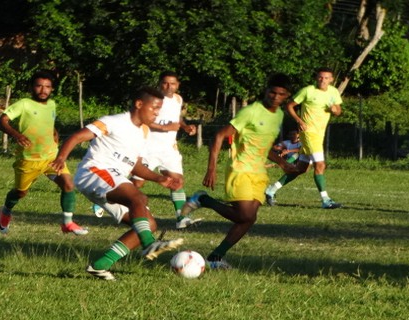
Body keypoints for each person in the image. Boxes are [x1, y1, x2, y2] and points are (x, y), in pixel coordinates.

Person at [51, 87, 185, 281]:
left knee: (148, 224)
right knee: (137, 197)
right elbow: (77, 136)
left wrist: (159, 178)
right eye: (154, 108)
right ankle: (149, 244)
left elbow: (135, 164)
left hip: (114, 178)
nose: (157, 113)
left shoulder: (145, 132)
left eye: (159, 109)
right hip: (94, 171)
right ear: (139, 104)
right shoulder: (113, 122)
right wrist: (61, 157)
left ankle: (100, 265)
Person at [181, 74, 296, 269]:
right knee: (243, 215)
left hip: (259, 173)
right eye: (272, 92)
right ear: (266, 90)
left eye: (280, 94)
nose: (275, 97)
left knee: (248, 219)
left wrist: (283, 164)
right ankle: (203, 199)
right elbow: (219, 136)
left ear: (287, 96)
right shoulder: (250, 112)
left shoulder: (279, 116)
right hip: (240, 169)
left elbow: (264, 146)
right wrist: (211, 169)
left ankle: (215, 257)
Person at [0, 70, 88, 237]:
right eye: (39, 86)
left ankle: (68, 223)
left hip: (51, 157)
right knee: (21, 192)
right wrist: (17, 134)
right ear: (32, 87)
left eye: (47, 87)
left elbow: (46, 123)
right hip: (28, 160)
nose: (43, 90)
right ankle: (6, 210)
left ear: (52, 89)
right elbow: (2, 120)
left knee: (68, 184)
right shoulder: (24, 104)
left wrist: (54, 132)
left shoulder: (52, 105)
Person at [127, 71, 200, 229]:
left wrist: (185, 126)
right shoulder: (153, 100)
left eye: (173, 83)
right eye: (165, 83)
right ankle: (114, 199)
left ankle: (181, 217)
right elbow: (143, 119)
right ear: (160, 83)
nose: (169, 86)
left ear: (178, 85)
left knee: (177, 182)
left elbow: (177, 118)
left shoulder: (178, 99)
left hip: (168, 148)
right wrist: (165, 127)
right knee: (138, 183)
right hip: (148, 147)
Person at [264, 67, 343, 209]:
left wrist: (335, 110)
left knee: (300, 168)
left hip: (319, 134)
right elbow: (290, 105)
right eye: (320, 77)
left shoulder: (334, 92)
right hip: (309, 133)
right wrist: (299, 121)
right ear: (316, 78)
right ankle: (325, 200)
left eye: (326, 78)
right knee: (320, 165)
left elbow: (338, 111)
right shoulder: (308, 91)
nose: (323, 80)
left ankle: (271, 190)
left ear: (331, 80)